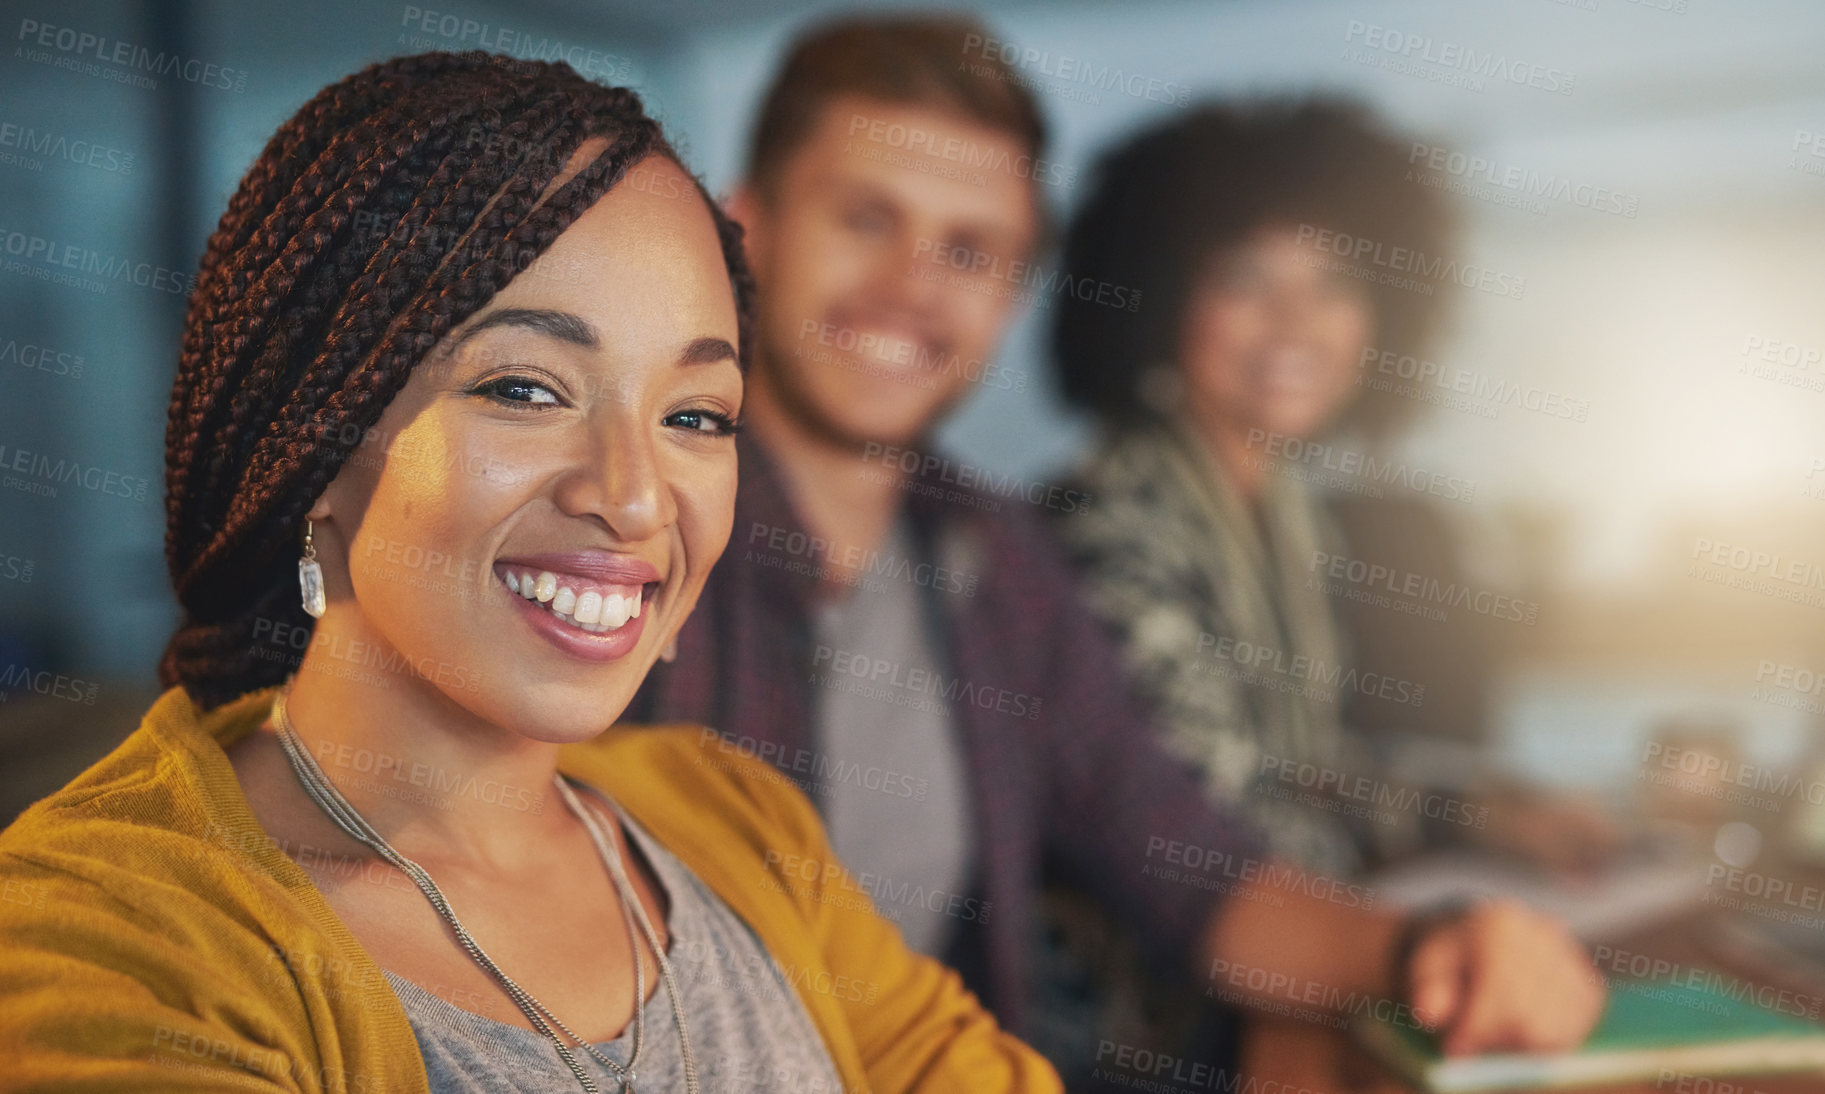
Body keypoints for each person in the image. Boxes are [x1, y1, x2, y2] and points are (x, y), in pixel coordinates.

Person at [0, 52, 1060, 1093]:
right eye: (525, 388)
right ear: (316, 442)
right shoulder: (108, 931)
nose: (637, 497)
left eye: (694, 414)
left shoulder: (730, 814)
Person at [624, 13, 1605, 1084]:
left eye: (969, 249)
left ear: (1011, 287)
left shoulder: (1000, 562)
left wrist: (1431, 946)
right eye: (866, 217)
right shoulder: (616, 521)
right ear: (742, 227)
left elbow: (1198, 870)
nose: (914, 282)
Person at [1047, 99, 1622, 879]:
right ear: (1155, 299)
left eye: (1334, 284)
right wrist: (1426, 923)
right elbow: (1208, 826)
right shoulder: (1106, 529)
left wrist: (1482, 813)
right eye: (1245, 279)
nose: (1295, 323)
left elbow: (1303, 772)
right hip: (1145, 989)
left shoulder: (1287, 512)